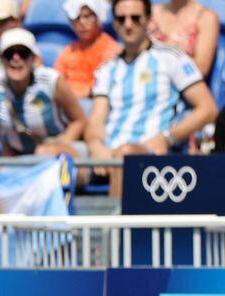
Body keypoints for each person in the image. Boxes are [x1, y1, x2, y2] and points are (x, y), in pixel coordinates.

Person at [85, 0, 217, 196]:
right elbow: (96, 119)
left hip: (145, 152)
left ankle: (113, 227)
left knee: (125, 155)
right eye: (121, 19)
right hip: (109, 153)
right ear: (113, 23)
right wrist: (96, 146)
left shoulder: (171, 58)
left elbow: (208, 109)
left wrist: (167, 138)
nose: (128, 24)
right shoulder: (106, 68)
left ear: (148, 20)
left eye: (135, 18)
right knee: (51, 156)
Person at [0, 28, 86, 156]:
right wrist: (6, 146)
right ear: (1, 58)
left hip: (56, 152)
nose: (16, 58)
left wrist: (59, 146)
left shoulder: (51, 81)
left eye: (23, 53)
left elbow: (79, 120)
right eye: (9, 53)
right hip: (19, 156)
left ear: (33, 58)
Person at [54, 0, 121, 98]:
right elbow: (56, 82)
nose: (82, 22)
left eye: (87, 16)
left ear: (98, 18)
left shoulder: (112, 50)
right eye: (76, 18)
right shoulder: (69, 50)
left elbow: (104, 88)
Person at [148, 0, 219, 78]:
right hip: (146, 77)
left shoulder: (206, 17)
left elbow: (201, 68)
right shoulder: (150, 12)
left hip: (183, 84)